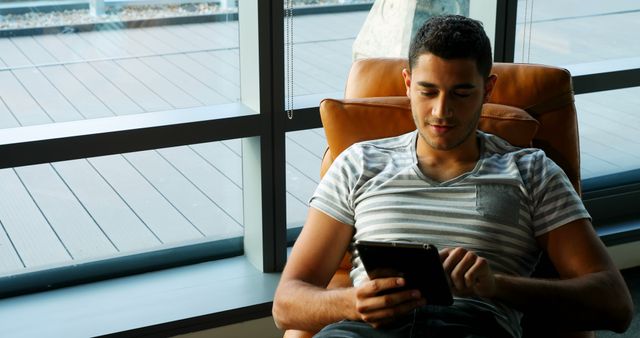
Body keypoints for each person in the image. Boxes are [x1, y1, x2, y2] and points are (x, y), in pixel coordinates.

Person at [272, 15, 633, 338]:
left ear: (487, 90)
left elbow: (615, 305)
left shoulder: (532, 171)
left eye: (461, 93)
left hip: (471, 327)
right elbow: (286, 303)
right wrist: (353, 303)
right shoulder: (359, 162)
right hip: (361, 330)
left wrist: (497, 285)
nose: (441, 111)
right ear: (408, 84)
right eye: (428, 91)